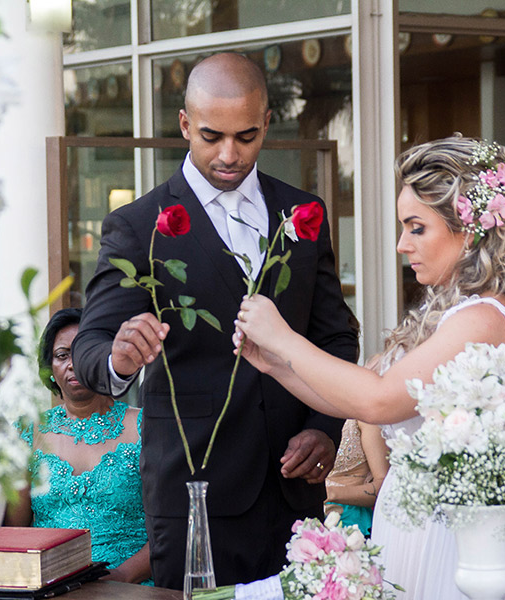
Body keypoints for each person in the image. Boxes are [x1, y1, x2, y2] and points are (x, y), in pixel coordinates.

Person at [71, 53, 358, 588]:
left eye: (246, 137)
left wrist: (323, 427)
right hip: (192, 495)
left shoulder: (303, 214)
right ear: (184, 125)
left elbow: (336, 336)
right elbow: (91, 345)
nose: (229, 154)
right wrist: (117, 358)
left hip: (294, 495)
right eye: (211, 136)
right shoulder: (136, 227)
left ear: (268, 122)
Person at [234, 135, 505, 599]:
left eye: (416, 227)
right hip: (408, 529)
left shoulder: (481, 317)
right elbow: (360, 403)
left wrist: (286, 337)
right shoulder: (454, 314)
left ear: (469, 230)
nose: (402, 244)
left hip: (447, 545)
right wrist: (277, 366)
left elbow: (377, 398)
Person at [5, 308, 151, 584]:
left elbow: (170, 526)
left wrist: (120, 577)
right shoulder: (27, 433)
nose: (73, 363)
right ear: (49, 368)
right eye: (62, 355)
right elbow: (16, 532)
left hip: (132, 587)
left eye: (84, 352)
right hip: (50, 589)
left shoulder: (144, 427)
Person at [324, 419, 389, 536]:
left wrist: (328, 493)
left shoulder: (364, 419)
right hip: (300, 514)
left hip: (348, 523)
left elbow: (384, 485)